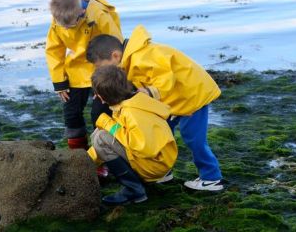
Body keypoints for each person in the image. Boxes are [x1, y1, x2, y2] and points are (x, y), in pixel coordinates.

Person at [86, 24, 223, 191]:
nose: (102, 70)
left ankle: (211, 178)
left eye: (101, 66)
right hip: (174, 99)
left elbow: (166, 79)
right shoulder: (129, 59)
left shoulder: (144, 56)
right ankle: (164, 172)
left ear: (115, 55)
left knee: (193, 138)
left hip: (193, 95)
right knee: (161, 130)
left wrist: (148, 92)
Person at [87, 65, 178, 205]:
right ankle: (136, 183)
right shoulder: (133, 101)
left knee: (100, 137)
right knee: (100, 134)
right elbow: (121, 134)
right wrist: (86, 161)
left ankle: (133, 190)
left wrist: (108, 123)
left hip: (155, 165)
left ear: (101, 97)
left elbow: (141, 146)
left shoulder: (130, 112)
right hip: (160, 159)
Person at [45, 0, 122, 150]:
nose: (66, 28)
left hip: (102, 68)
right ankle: (78, 156)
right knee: (71, 114)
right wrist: (59, 82)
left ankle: (105, 152)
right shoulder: (59, 18)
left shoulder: (99, 16)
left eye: (70, 25)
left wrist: (108, 80)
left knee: (99, 114)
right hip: (75, 70)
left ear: (81, 12)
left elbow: (116, 48)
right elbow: (54, 50)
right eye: (62, 26)